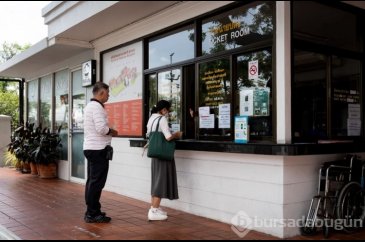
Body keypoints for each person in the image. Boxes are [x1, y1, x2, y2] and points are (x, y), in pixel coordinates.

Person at [83, 82, 118, 223]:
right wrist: (112, 131)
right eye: (107, 93)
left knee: (92, 181)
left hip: (91, 148)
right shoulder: (96, 107)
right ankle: (92, 213)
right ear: (101, 93)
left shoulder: (90, 106)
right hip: (98, 150)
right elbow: (101, 128)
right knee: (97, 183)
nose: (108, 96)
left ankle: (92, 211)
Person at [146, 100, 183, 221]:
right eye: (168, 110)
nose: (168, 113)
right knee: (160, 181)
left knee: (156, 179)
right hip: (163, 154)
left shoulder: (151, 118)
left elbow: (149, 134)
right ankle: (154, 210)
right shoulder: (161, 119)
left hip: (155, 154)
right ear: (163, 110)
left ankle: (154, 207)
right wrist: (177, 134)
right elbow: (168, 137)